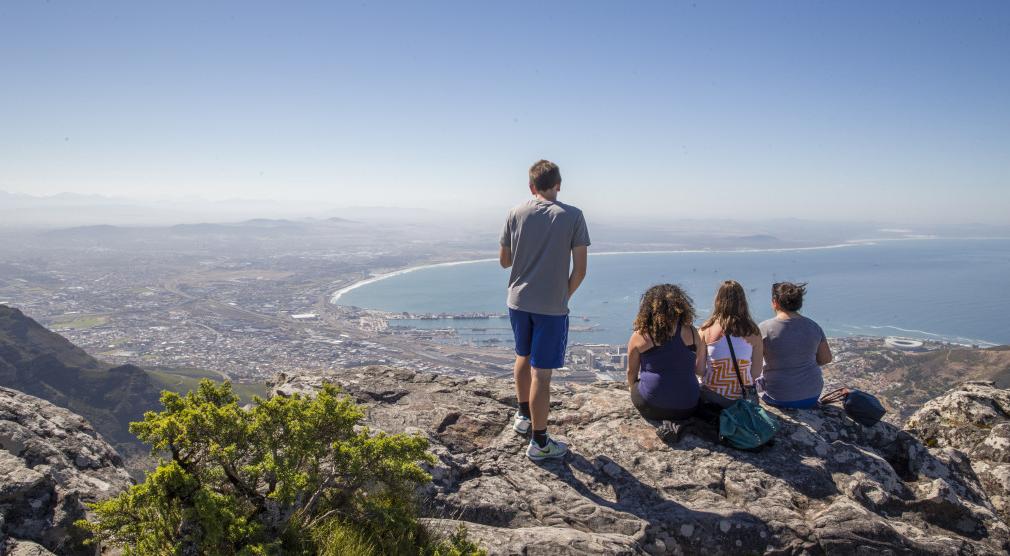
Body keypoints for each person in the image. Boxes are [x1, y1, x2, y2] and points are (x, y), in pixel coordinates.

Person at [500, 159, 590, 461]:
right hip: (551, 307)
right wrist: (562, 295)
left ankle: (522, 415)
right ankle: (539, 443)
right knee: (543, 373)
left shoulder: (515, 212)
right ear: (559, 184)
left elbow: (504, 260)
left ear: (531, 186)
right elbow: (580, 270)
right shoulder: (573, 216)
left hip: (517, 301)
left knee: (522, 356)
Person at [626, 284, 707, 441]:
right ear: (681, 307)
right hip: (689, 406)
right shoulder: (692, 332)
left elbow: (631, 372)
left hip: (652, 406)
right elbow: (699, 369)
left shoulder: (640, 335)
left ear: (648, 309)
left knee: (636, 386)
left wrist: (633, 388)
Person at [757, 282, 833, 409]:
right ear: (799, 303)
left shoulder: (764, 328)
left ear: (775, 302)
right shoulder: (813, 326)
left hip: (777, 396)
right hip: (812, 395)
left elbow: (755, 362)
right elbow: (826, 358)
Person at [699, 280, 763, 407]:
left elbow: (699, 370)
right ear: (743, 302)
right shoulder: (754, 332)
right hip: (743, 399)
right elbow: (756, 372)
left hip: (712, 398)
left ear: (718, 301)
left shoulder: (706, 330)